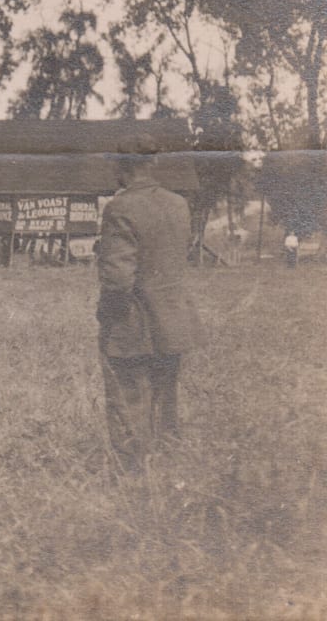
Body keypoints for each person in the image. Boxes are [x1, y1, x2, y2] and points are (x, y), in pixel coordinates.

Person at [97, 146, 206, 472]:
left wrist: (106, 316)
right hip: (174, 322)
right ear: (152, 163)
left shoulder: (120, 207)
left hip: (134, 325)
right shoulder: (178, 204)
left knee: (128, 400)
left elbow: (118, 280)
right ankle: (167, 470)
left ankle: (132, 476)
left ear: (121, 166)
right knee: (165, 401)